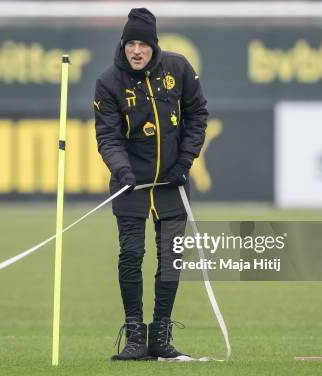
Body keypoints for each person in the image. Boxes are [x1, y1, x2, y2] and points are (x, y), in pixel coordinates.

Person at [93, 8, 209, 361]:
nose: (137, 51)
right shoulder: (108, 82)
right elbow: (108, 137)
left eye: (143, 43)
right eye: (131, 43)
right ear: (124, 45)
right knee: (131, 256)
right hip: (131, 188)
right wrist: (122, 171)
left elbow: (197, 114)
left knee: (171, 258)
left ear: (154, 46)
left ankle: (160, 336)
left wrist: (185, 162)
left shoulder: (178, 69)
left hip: (172, 186)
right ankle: (134, 338)